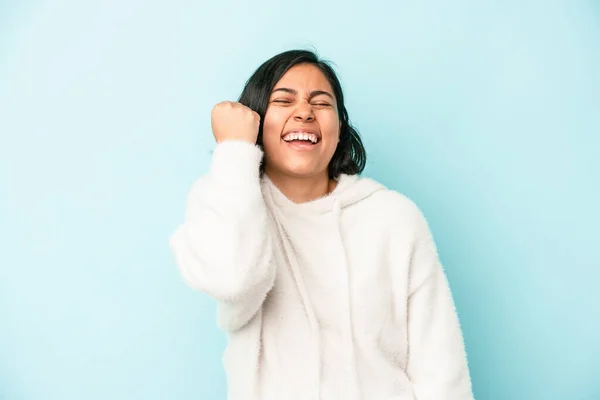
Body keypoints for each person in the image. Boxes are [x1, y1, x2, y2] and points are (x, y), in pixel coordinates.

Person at [169, 49, 474, 400]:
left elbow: (440, 366)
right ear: (254, 120)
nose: (304, 112)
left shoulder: (394, 218)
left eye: (322, 103)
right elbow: (232, 279)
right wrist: (235, 150)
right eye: (283, 100)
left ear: (340, 128)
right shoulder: (225, 203)